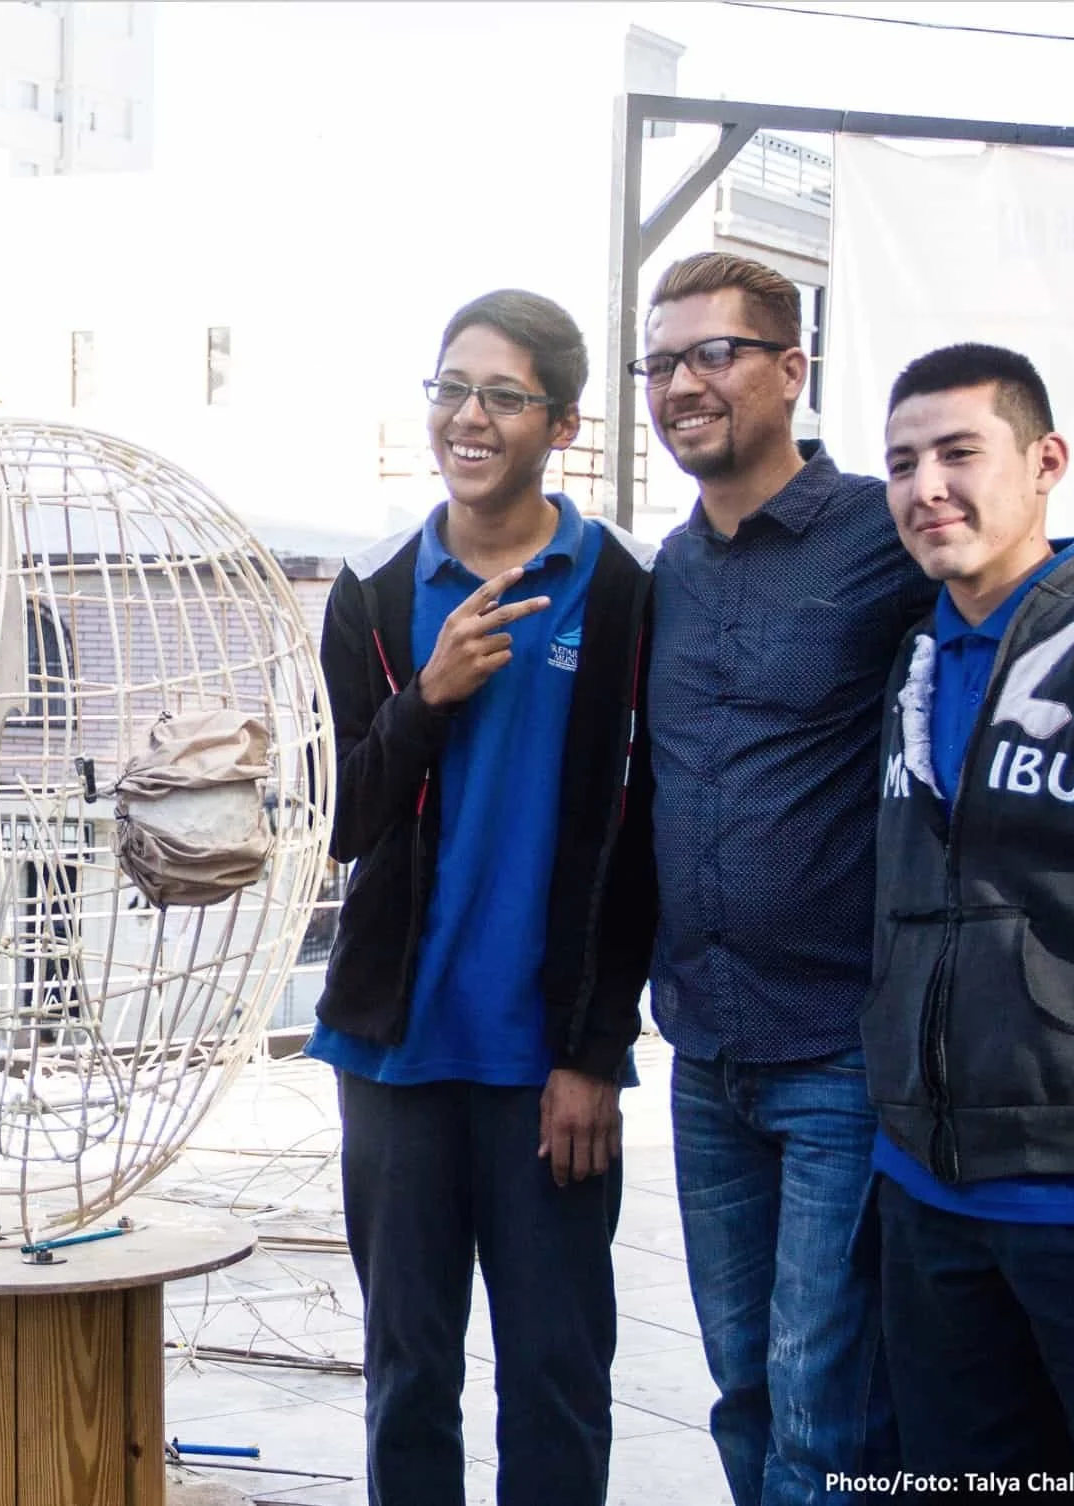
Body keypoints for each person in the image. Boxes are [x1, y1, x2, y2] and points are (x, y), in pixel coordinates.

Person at [310, 289, 658, 1506]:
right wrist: (430, 694)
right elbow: (340, 819)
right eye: (449, 388)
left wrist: (594, 1051)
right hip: (393, 1057)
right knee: (408, 1376)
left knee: (557, 1378)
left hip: (545, 1067)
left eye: (502, 396)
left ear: (560, 424)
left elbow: (644, 836)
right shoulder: (373, 591)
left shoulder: (621, 588)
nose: (467, 416)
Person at [637, 252, 929, 1505]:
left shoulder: (882, 533)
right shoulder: (671, 569)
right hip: (705, 1052)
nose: (682, 384)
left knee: (825, 1399)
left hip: (839, 1051)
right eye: (660, 362)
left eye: (715, 354)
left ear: (793, 371)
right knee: (741, 1386)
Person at [865, 343, 1074, 1503]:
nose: (928, 487)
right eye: (902, 462)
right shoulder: (911, 657)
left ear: (1045, 461)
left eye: (959, 453)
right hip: (927, 1189)